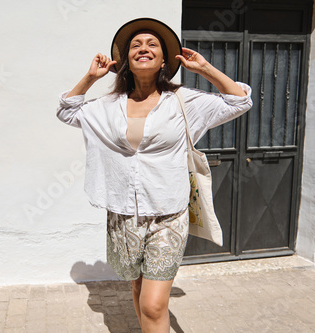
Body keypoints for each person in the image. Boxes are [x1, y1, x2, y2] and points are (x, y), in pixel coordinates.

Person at [56, 18, 252, 333]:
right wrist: (90, 77)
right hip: (123, 214)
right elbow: (68, 110)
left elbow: (239, 100)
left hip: (168, 213)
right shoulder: (108, 106)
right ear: (126, 61)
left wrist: (205, 70)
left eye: (152, 45)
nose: (143, 49)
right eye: (136, 45)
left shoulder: (183, 101)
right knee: (137, 289)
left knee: (154, 304)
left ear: (163, 60)